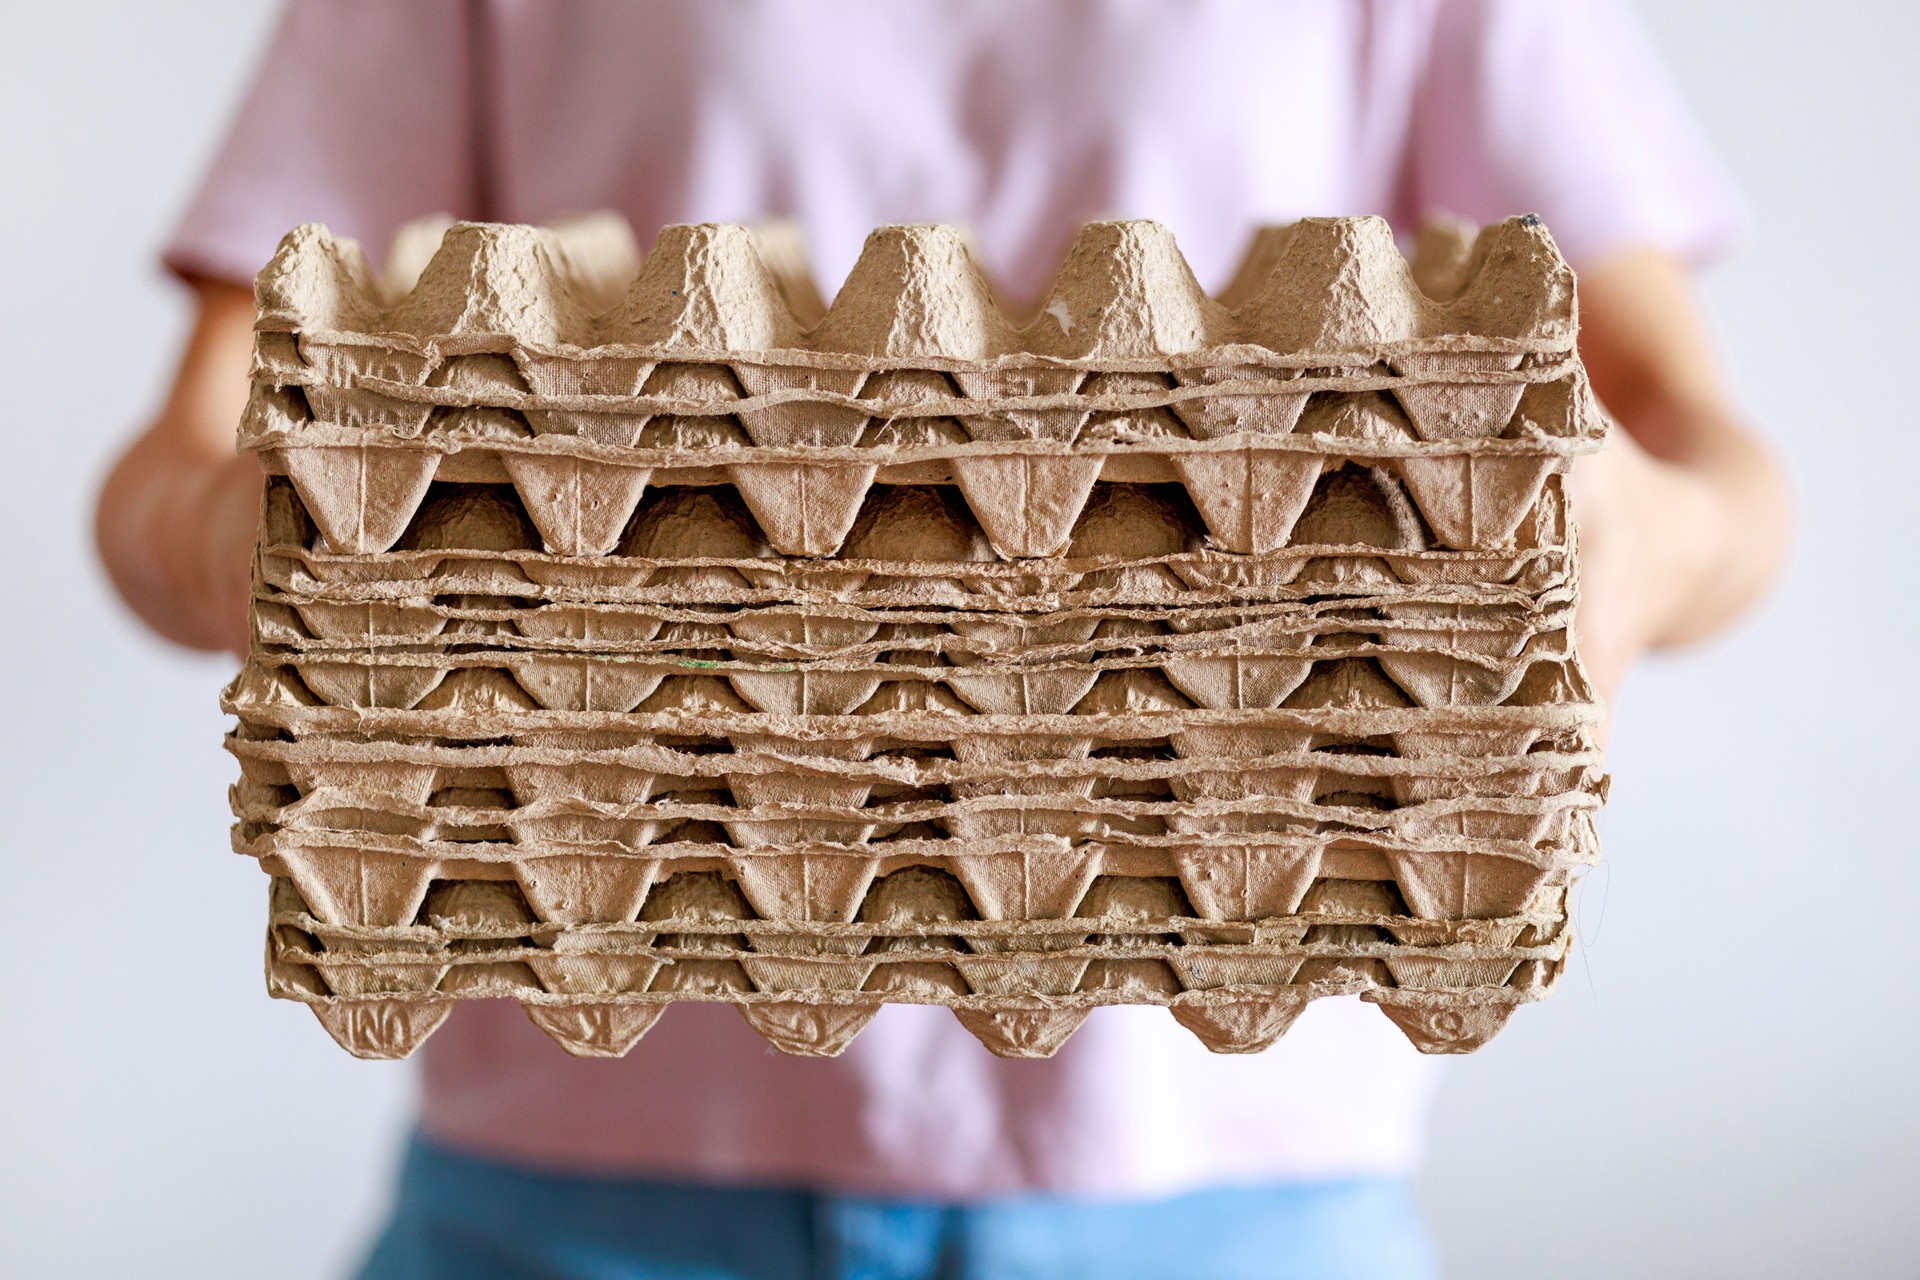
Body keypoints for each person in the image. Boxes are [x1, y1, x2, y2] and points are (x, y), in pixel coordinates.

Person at [96, 3, 1791, 1277]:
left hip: (1226, 1196)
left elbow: (1698, 452)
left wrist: (1631, 543)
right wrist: (325, 552)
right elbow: (184, 461)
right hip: (591, 1188)